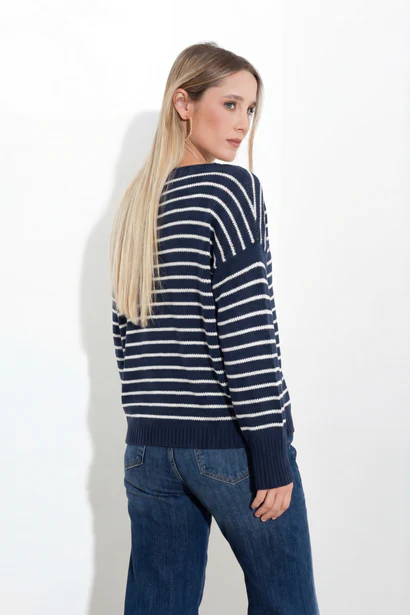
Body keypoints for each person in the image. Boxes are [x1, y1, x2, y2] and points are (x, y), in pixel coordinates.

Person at [109, 41, 320, 615]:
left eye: (250, 109)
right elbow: (249, 333)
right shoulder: (232, 189)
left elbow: (125, 338)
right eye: (229, 104)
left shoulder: (135, 206)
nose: (242, 123)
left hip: (148, 448)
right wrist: (271, 452)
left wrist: (151, 432)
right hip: (230, 446)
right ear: (184, 103)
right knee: (287, 605)